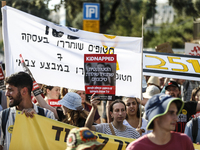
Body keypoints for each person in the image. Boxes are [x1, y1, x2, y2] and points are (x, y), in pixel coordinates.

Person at [0, 72, 55, 150]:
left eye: (10, 90)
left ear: (24, 91)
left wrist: (38, 120)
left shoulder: (48, 115)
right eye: (6, 90)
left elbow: (52, 145)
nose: (6, 94)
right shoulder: (3, 116)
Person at [126, 94, 194, 150]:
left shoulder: (184, 142)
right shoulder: (135, 148)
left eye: (176, 113)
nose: (176, 118)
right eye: (171, 113)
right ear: (156, 117)